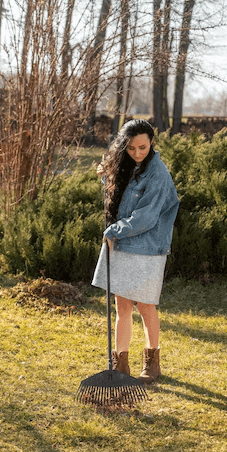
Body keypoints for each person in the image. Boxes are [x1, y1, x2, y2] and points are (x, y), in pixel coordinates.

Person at [92, 119, 179, 384]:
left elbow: (147, 216)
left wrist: (116, 230)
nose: (137, 153)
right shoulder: (124, 166)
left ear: (152, 142)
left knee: (146, 305)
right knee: (123, 306)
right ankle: (120, 363)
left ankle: (152, 362)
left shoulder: (158, 173)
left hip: (149, 246)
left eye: (142, 147)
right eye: (130, 148)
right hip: (123, 244)